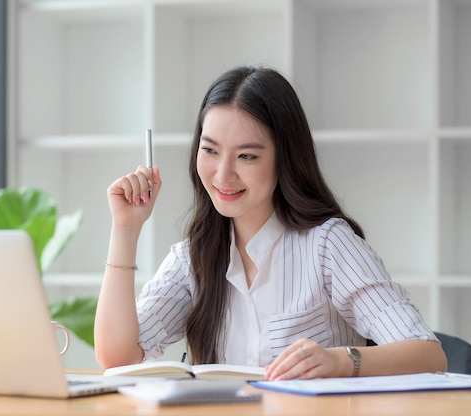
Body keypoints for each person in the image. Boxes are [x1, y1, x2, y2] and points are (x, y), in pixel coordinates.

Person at [94, 66, 446, 380]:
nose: (223, 173)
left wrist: (340, 362)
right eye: (210, 150)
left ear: (285, 158)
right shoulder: (193, 258)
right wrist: (126, 229)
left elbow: (428, 354)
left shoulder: (327, 245)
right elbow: (118, 358)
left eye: (247, 155)